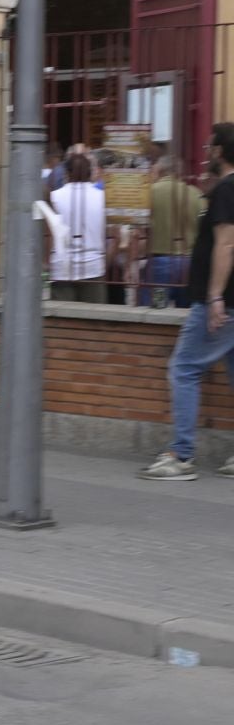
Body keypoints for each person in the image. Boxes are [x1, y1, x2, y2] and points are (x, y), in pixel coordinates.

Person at [139, 122, 234, 480]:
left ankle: (180, 455)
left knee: (184, 368)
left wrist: (214, 298)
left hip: (222, 301)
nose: (206, 151)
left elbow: (226, 244)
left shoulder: (226, 189)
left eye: (211, 146)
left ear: (221, 151)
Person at [47, 152, 108, 303]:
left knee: (62, 320)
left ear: (66, 173)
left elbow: (47, 234)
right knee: (94, 321)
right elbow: (113, 232)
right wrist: (104, 261)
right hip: (93, 266)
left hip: (62, 268)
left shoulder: (54, 197)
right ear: (90, 173)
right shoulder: (102, 197)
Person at [143, 155, 202, 308]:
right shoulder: (196, 194)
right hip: (189, 263)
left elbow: (139, 227)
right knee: (185, 312)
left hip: (160, 265)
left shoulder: (149, 192)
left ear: (160, 170)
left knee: (157, 308)